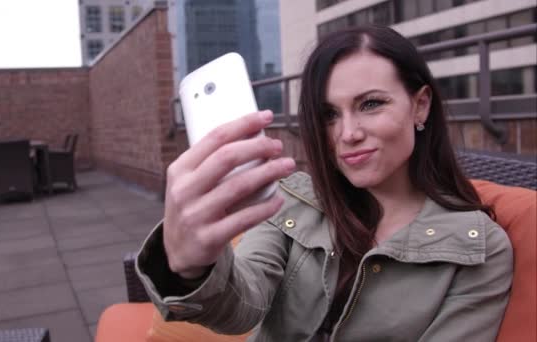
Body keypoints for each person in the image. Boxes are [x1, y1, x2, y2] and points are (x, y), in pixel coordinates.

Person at [136, 25, 513, 341]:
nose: (347, 134)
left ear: (420, 105)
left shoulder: (479, 251)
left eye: (370, 104)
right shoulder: (294, 200)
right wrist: (192, 269)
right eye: (329, 114)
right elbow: (242, 308)